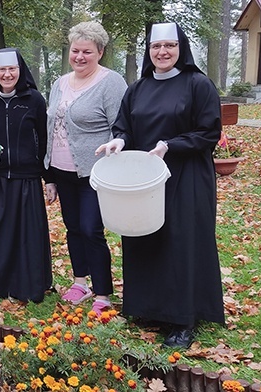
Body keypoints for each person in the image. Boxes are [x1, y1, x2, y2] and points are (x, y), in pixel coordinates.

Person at [95, 22, 224, 348]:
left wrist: (171, 145)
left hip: (188, 175)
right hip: (144, 179)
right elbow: (124, 125)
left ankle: (183, 319)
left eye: (169, 46)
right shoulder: (138, 88)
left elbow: (208, 132)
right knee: (144, 238)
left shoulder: (198, 85)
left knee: (181, 243)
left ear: (181, 48)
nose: (162, 52)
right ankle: (149, 307)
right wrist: (119, 142)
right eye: (156, 47)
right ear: (148, 51)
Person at [44, 22, 127, 315]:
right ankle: (80, 282)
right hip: (61, 168)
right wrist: (50, 176)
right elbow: (51, 126)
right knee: (73, 228)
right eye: (75, 50)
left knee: (92, 229)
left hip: (96, 171)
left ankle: (103, 292)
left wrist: (118, 145)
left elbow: (122, 126)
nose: (80, 57)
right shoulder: (59, 83)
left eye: (87, 52)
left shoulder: (111, 82)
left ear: (100, 52)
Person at [0, 48, 52, 303]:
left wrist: (48, 177)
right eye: (2, 70)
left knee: (28, 235)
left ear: (20, 71)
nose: (7, 74)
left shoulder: (35, 100)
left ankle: (28, 286)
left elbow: (45, 139)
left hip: (26, 178)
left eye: (12, 69)